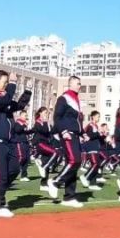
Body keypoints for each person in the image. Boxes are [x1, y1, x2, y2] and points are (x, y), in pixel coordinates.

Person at [0, 70, 31, 218]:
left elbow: (18, 105)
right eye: (4, 81)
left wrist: (28, 91)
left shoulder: (5, 97)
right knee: (0, 175)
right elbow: (6, 100)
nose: (5, 84)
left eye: (6, 82)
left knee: (15, 169)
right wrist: (13, 84)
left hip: (8, 140)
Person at [46, 76, 85, 207]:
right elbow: (57, 117)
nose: (80, 86)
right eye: (78, 83)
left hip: (75, 135)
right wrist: (63, 131)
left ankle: (69, 196)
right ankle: (55, 182)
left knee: (74, 164)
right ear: (71, 84)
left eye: (80, 84)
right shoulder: (64, 98)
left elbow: (78, 121)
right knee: (74, 160)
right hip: (67, 134)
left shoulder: (76, 100)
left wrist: (83, 133)